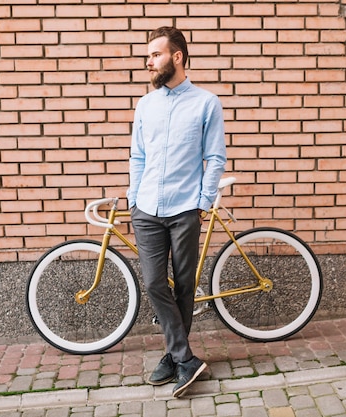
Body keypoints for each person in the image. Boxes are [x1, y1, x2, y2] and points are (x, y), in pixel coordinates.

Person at [127, 26, 227, 398]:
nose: (149, 62)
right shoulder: (145, 105)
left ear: (177, 56)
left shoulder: (206, 103)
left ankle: (173, 357)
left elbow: (215, 157)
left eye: (155, 55)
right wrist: (134, 197)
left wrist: (202, 203)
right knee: (155, 282)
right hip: (147, 208)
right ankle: (185, 358)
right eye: (148, 56)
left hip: (186, 208)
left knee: (185, 285)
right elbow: (137, 156)